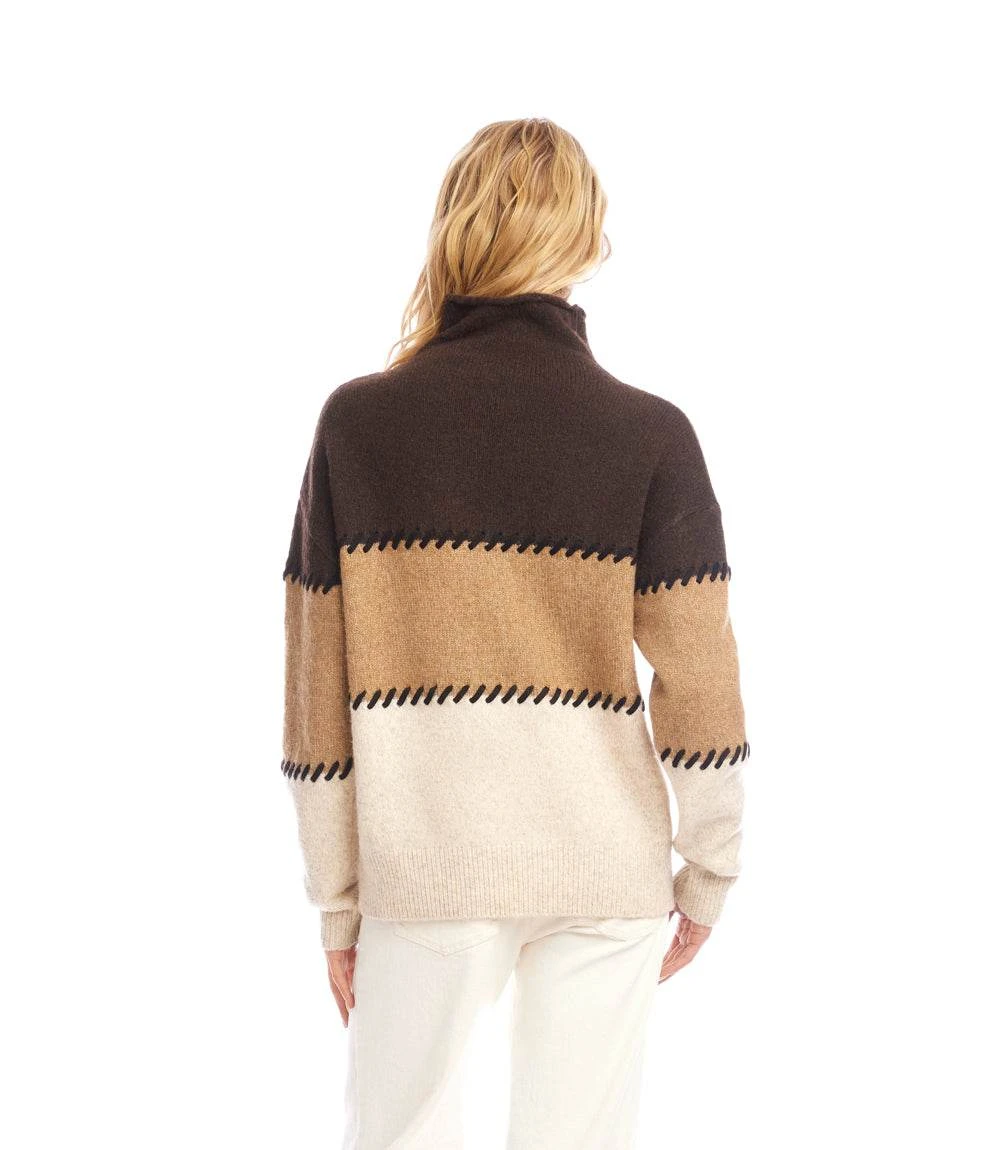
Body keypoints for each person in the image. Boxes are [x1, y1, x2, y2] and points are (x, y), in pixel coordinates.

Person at [280, 117, 749, 1150]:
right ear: (584, 241)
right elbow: (702, 679)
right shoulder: (650, 433)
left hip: (428, 863)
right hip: (605, 866)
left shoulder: (359, 425)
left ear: (453, 227)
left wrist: (339, 901)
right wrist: (708, 869)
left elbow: (315, 698)